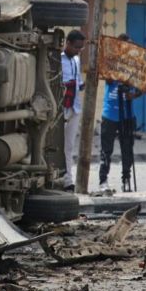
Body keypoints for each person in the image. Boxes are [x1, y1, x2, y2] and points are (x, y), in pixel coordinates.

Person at [98, 34, 142, 193]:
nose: (128, 49)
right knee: (106, 150)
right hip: (110, 114)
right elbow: (109, 79)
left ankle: (126, 179)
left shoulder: (136, 64)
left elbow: (143, 87)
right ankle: (103, 181)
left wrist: (134, 94)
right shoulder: (111, 61)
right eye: (125, 46)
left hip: (128, 114)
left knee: (127, 149)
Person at [61, 30, 86, 191]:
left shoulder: (76, 60)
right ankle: (61, 178)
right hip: (61, 107)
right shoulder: (58, 59)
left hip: (74, 107)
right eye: (76, 47)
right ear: (67, 43)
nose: (78, 51)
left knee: (69, 146)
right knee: (58, 145)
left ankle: (68, 180)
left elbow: (79, 83)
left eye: (80, 48)